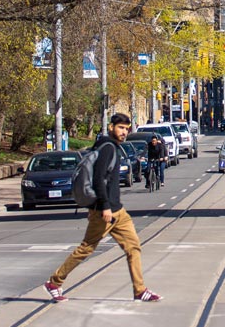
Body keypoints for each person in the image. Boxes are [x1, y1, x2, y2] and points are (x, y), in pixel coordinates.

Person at [43, 113, 161, 303]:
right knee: (86, 248)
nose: (124, 132)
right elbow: (98, 179)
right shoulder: (107, 148)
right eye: (121, 128)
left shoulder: (111, 147)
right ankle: (55, 282)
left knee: (133, 247)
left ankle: (140, 290)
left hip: (118, 211)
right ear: (111, 127)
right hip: (104, 211)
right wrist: (105, 206)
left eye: (126, 128)